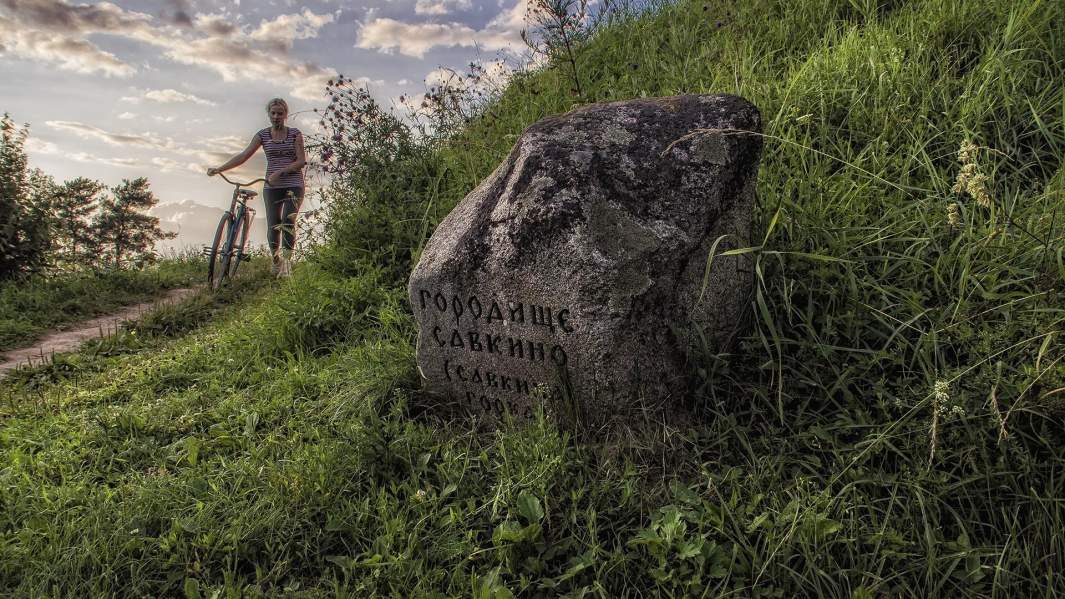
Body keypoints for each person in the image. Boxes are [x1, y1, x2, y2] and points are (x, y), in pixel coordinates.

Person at [207, 97, 306, 278]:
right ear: (268, 114)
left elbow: (301, 161)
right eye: (273, 113)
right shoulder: (263, 135)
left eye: (280, 113)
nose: (276, 116)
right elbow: (244, 156)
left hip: (293, 184)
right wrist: (220, 168)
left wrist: (280, 172)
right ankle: (276, 261)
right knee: (273, 224)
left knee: (287, 222)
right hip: (271, 186)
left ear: (286, 115)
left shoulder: (294, 134)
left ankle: (287, 263)